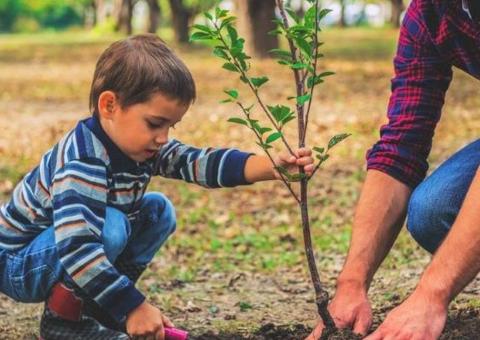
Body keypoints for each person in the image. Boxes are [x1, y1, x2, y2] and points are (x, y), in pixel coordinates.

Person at [0, 34, 315, 340]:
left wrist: (270, 166)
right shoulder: (83, 159)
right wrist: (134, 306)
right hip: (18, 263)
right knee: (111, 227)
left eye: (170, 126)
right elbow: (77, 248)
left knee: (157, 211)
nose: (163, 137)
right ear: (109, 105)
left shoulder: (137, 145)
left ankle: (98, 309)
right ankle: (64, 323)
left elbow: (197, 162)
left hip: (59, 251)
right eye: (154, 123)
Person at [307, 0, 480, 339]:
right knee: (436, 210)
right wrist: (352, 282)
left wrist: (431, 296)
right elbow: (402, 144)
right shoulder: (432, 13)